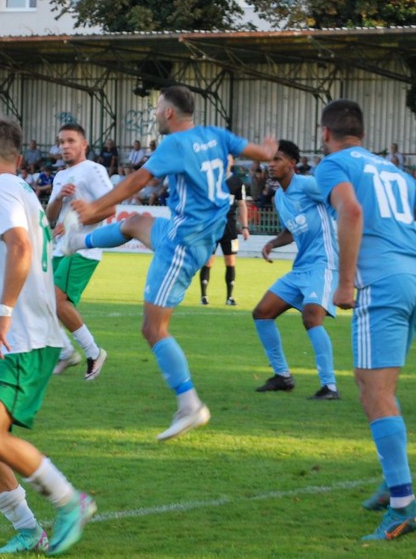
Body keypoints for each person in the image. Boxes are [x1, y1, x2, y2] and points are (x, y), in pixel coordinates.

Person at [62, 85, 277, 441]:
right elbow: (256, 151)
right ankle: (76, 242)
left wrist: (95, 207)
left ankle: (190, 404)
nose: (156, 113)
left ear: (169, 113)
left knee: (153, 328)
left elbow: (137, 180)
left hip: (183, 242)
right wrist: (267, 151)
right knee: (134, 224)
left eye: (158, 108)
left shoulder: (175, 145)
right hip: (191, 230)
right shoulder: (213, 135)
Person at [315, 99, 416, 541]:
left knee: (373, 390)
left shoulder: (333, 166)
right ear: (361, 133)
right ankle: (391, 483)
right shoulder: (396, 173)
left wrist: (345, 283)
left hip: (381, 287)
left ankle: (405, 507)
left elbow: (351, 211)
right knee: (377, 387)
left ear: (325, 133)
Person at [0, 118, 96, 555]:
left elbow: (19, 248)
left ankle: (69, 500)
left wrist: (3, 316)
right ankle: (27, 529)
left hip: (22, 335)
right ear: (19, 159)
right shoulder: (23, 191)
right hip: (6, 334)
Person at [253, 140, 340, 399]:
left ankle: (330, 386)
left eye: (277, 159)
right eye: (270, 160)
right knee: (262, 312)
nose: (271, 164)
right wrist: (273, 243)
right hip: (301, 268)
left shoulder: (309, 185)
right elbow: (291, 231)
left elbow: (342, 203)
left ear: (292, 163)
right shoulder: (280, 197)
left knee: (312, 317)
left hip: (324, 264)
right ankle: (282, 376)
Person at [45, 123, 112, 380]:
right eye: (61, 141)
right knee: (43, 301)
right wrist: (60, 198)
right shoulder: (60, 176)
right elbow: (51, 216)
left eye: (70, 141)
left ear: (84, 144)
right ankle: (65, 352)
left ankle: (93, 352)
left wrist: (79, 221)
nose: (64, 146)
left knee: (56, 299)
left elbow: (110, 208)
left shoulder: (94, 170)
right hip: (61, 247)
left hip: (83, 247)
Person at [199, 156, 249, 306]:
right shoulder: (210, 179)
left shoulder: (237, 182)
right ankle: (204, 296)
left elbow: (242, 205)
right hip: (212, 227)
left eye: (229, 160)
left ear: (232, 162)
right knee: (208, 261)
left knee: (231, 261)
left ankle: (230, 297)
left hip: (230, 228)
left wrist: (245, 227)